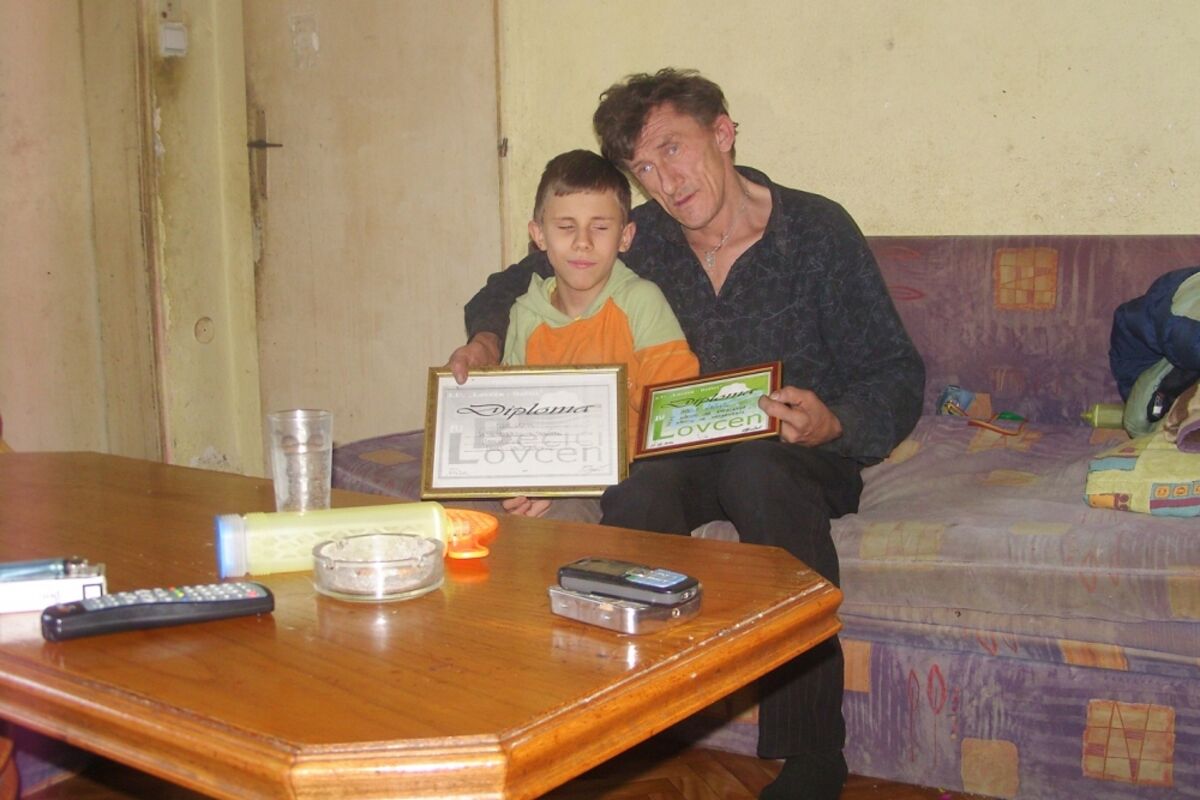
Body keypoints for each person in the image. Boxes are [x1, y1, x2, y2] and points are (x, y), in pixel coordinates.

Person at [449, 68, 924, 800]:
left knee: (758, 473)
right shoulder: (641, 242)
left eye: (672, 149)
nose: (663, 181)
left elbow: (894, 370)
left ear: (723, 134)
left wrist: (836, 420)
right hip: (680, 451)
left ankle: (811, 752)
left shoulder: (815, 232)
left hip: (794, 449)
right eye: (643, 167)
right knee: (639, 496)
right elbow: (510, 286)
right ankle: (616, 727)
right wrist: (485, 343)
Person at [500, 149, 699, 518]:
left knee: (564, 520)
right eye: (566, 227)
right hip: (544, 471)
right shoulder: (524, 315)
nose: (583, 242)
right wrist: (522, 480)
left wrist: (564, 481)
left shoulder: (640, 301)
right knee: (462, 515)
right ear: (539, 235)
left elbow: (675, 411)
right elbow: (512, 420)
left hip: (618, 478)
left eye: (600, 227)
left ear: (625, 237)